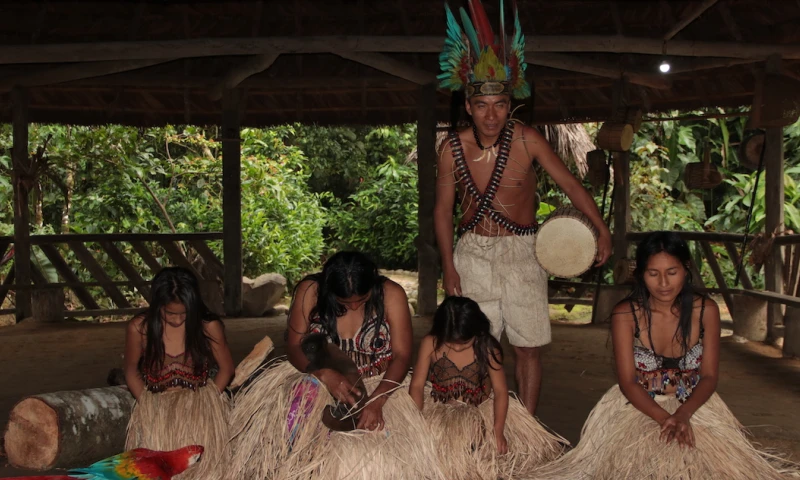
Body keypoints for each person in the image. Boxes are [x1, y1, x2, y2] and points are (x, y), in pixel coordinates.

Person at [435, 0, 612, 416]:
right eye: (481, 105)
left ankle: (526, 427)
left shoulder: (528, 138)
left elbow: (571, 186)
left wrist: (601, 229)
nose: (491, 115)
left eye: (499, 104)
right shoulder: (451, 148)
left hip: (523, 253)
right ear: (468, 106)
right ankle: (479, 425)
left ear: (510, 103)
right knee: (477, 347)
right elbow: (443, 212)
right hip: (473, 252)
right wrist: (449, 264)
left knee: (529, 348)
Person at [533, 231, 799, 479]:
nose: (663, 283)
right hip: (641, 405)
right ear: (640, 274)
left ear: (686, 269)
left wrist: (683, 415)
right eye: (653, 273)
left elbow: (708, 376)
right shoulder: (625, 314)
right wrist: (666, 419)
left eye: (672, 272)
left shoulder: (706, 310)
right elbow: (628, 381)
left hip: (694, 405)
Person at [227, 251, 443, 480]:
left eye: (362, 299)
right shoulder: (310, 291)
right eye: (344, 302)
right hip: (317, 377)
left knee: (382, 454)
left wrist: (378, 400)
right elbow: (293, 346)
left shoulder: (391, 293)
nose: (353, 307)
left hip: (380, 383)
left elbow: (402, 355)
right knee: (300, 430)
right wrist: (322, 374)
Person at [409, 296, 566, 480]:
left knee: (481, 453)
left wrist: (498, 431)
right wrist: (416, 422)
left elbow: (500, 392)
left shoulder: (488, 348)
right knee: (434, 455)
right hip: (441, 409)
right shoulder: (431, 343)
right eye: (452, 343)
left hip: (481, 411)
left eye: (465, 343)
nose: (458, 349)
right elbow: (418, 386)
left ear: (478, 331)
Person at [124, 266, 234, 480]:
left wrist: (207, 402)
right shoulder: (140, 328)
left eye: (184, 313)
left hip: (200, 410)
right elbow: (130, 370)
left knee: (202, 471)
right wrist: (148, 404)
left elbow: (227, 369)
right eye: (169, 313)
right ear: (157, 306)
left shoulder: (207, 326)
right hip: (157, 411)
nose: (177, 320)